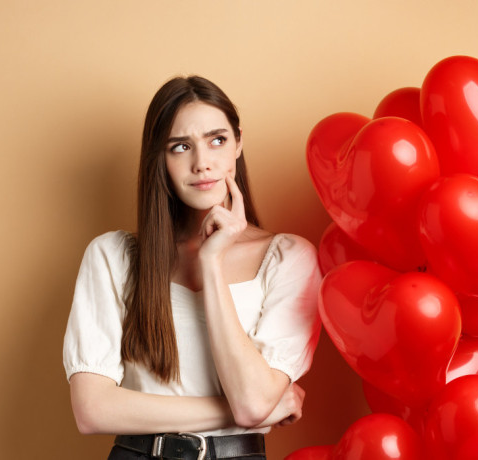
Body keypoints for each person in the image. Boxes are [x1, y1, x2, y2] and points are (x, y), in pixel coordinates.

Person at [63, 75, 322, 460]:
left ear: (238, 143)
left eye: (217, 140)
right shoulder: (113, 256)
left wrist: (212, 262)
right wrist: (238, 412)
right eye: (181, 147)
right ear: (160, 158)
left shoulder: (288, 258)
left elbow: (252, 403)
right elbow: (92, 410)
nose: (202, 164)